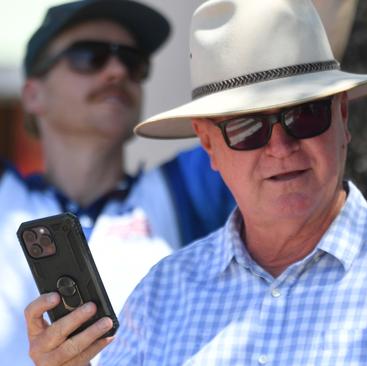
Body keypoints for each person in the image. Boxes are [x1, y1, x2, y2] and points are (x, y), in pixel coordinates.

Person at [23, 0, 367, 365]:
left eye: (305, 114)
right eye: (248, 127)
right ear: (208, 146)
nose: (281, 147)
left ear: (343, 117)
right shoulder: (162, 294)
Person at [1, 1, 234, 365]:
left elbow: (298, 58)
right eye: (89, 57)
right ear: (33, 94)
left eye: (133, 62)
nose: (116, 71)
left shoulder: (187, 188)